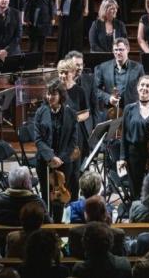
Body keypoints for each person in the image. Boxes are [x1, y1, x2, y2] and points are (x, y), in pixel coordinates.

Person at [34, 80, 78, 219]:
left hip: (64, 162)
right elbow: (38, 139)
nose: (49, 97)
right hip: (45, 162)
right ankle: (47, 223)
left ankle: (58, 224)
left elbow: (73, 140)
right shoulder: (40, 112)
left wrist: (61, 158)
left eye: (53, 94)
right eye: (48, 94)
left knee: (60, 198)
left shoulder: (70, 113)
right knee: (46, 195)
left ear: (61, 96)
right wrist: (51, 157)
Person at [57, 58, 91, 197]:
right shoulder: (56, 90)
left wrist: (74, 118)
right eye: (61, 73)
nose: (63, 76)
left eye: (66, 72)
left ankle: (73, 202)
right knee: (61, 170)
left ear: (72, 73)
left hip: (76, 137)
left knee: (74, 173)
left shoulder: (79, 91)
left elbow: (86, 113)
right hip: (59, 136)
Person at [95, 37, 145, 111]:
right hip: (110, 110)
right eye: (116, 50)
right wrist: (108, 98)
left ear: (128, 50)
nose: (118, 53)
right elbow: (96, 89)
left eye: (121, 50)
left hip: (131, 110)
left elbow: (143, 89)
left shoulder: (138, 68)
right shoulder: (103, 67)